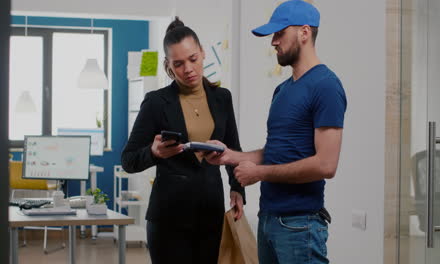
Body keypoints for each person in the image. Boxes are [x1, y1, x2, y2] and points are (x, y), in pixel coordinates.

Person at [205, 1, 347, 263]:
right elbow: (276, 151)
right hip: (268, 220)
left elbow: (326, 164)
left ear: (304, 32)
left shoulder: (326, 86)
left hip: (300, 226)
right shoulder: (282, 91)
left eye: (280, 33)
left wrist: (259, 174)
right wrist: (231, 156)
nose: (273, 42)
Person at [121, 17, 245, 264]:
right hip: (168, 217)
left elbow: (233, 149)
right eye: (178, 64)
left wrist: (237, 188)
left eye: (192, 59)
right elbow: (128, 159)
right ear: (168, 66)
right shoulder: (156, 102)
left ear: (202, 54)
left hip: (210, 212)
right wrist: (154, 152)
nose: (188, 69)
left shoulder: (222, 98)